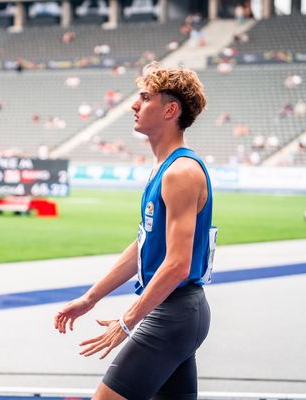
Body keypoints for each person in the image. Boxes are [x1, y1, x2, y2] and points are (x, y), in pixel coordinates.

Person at [54, 63, 215, 400]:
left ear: (171, 110)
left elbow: (177, 265)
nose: (133, 104)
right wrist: (90, 298)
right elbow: (143, 245)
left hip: (174, 313)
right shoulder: (166, 167)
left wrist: (127, 322)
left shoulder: (180, 173)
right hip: (177, 312)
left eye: (145, 97)